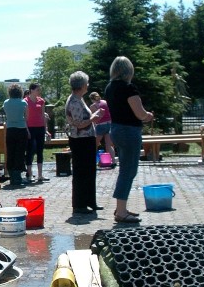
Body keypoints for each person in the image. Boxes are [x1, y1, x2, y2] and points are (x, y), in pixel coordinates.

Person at [105, 56, 154, 223]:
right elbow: (139, 113)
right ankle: (121, 211)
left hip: (116, 130)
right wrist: (149, 116)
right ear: (128, 71)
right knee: (129, 171)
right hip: (129, 131)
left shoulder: (109, 88)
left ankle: (121, 207)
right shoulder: (128, 88)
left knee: (125, 170)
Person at [65, 71, 103, 214]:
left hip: (86, 139)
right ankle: (80, 204)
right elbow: (78, 124)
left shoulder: (79, 98)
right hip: (80, 140)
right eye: (86, 83)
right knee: (82, 172)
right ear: (81, 85)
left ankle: (90, 202)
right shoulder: (74, 101)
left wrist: (93, 116)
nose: (88, 85)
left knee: (90, 171)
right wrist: (93, 118)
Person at [3, 84, 30, 187]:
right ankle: (18, 177)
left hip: (10, 130)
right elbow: (26, 117)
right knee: (19, 153)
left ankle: (12, 177)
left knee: (11, 152)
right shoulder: (24, 103)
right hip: (21, 129)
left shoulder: (6, 103)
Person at [25, 83, 50, 182]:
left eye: (39, 90)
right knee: (30, 151)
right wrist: (26, 130)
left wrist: (46, 130)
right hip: (30, 128)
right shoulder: (26, 101)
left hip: (40, 127)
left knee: (40, 151)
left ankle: (40, 175)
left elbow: (43, 116)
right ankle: (29, 174)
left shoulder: (41, 101)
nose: (39, 92)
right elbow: (25, 117)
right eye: (37, 90)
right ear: (31, 90)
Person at [89, 91, 116, 163]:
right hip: (109, 124)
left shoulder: (93, 106)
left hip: (100, 125)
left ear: (92, 99)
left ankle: (92, 162)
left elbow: (94, 119)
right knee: (109, 145)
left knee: (94, 145)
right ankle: (113, 161)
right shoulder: (105, 102)